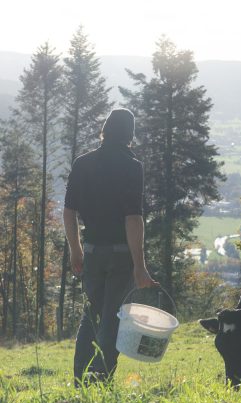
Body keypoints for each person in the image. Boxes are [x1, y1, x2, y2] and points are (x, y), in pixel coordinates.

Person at [63, 108, 157, 386]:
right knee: (113, 319)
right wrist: (139, 266)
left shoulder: (83, 163)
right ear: (130, 135)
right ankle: (101, 381)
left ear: (105, 129)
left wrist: (75, 249)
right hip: (120, 256)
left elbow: (69, 211)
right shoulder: (132, 167)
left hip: (91, 252)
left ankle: (81, 380)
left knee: (90, 315)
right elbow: (133, 218)